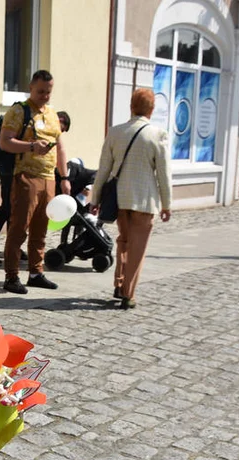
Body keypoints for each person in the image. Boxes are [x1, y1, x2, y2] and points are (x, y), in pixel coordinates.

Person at [91, 87, 172, 310]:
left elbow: (103, 169)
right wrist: (167, 204)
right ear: (152, 109)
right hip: (145, 201)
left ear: (131, 107)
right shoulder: (158, 134)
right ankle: (128, 293)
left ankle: (118, 283)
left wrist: (95, 199)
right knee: (138, 248)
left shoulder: (115, 132)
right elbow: (164, 173)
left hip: (120, 198)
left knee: (124, 241)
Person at [0, 70, 70, 294]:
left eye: (48, 92)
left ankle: (36, 273)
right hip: (26, 177)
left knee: (41, 228)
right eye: (41, 91)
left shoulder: (51, 114)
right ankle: (11, 276)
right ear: (31, 87)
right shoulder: (19, 110)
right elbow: (5, 142)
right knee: (19, 228)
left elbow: (60, 147)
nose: (45, 96)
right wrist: (31, 146)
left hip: (49, 178)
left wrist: (64, 177)